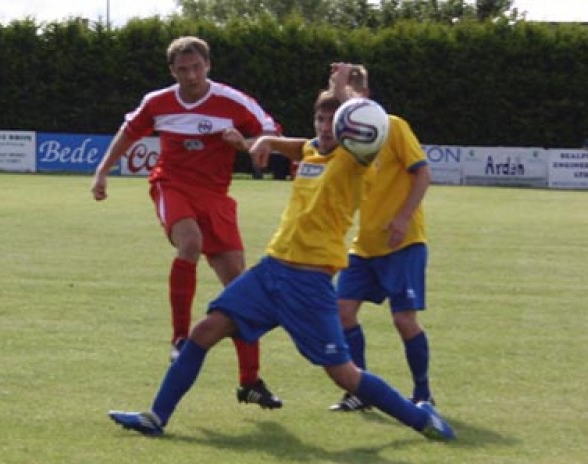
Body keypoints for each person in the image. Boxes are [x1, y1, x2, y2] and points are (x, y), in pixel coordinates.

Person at [107, 89, 456, 441]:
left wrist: (347, 94)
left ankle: (422, 419)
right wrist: (267, 141)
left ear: (351, 133)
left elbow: (366, 133)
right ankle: (155, 417)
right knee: (203, 332)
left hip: (309, 283)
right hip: (270, 270)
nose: (324, 129)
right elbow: (299, 146)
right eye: (320, 120)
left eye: (334, 124)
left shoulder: (356, 163)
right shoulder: (310, 152)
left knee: (345, 374)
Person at [91, 36, 282, 409]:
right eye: (183, 70)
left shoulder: (233, 101)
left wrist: (243, 142)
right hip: (172, 185)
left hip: (216, 197)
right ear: (172, 71)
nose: (191, 76)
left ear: (208, 66)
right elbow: (128, 132)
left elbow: (269, 134)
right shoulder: (157, 102)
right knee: (189, 243)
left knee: (240, 291)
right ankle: (180, 338)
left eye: (196, 68)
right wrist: (102, 172)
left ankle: (250, 381)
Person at [326, 63, 435, 412]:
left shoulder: (394, 126)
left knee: (403, 319)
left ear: (367, 95)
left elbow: (423, 174)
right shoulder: (350, 135)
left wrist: (402, 218)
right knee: (342, 312)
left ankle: (423, 394)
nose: (347, 102)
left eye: (351, 92)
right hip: (366, 244)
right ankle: (362, 390)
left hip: (402, 242)